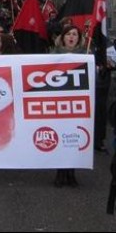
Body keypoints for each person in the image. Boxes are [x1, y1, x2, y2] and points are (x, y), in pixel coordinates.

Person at [50, 25, 84, 188]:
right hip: (59, 102)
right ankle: (60, 172)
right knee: (60, 135)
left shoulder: (86, 55)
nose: (71, 37)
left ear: (79, 38)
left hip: (78, 104)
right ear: (63, 37)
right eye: (68, 34)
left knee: (74, 137)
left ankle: (71, 173)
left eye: (75, 34)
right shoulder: (54, 55)